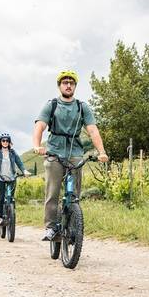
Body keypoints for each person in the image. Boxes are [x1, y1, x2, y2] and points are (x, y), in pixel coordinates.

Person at [32, 69, 109, 241]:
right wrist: (37, 146)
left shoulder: (82, 107)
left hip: (75, 153)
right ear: (60, 86)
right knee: (53, 193)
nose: (68, 85)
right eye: (65, 82)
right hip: (54, 152)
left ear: (75, 86)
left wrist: (101, 152)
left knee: (74, 195)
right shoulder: (51, 105)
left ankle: (73, 223)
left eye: (71, 83)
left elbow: (92, 130)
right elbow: (40, 126)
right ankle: (51, 227)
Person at [0, 133, 32, 226]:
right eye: (3, 140)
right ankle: (0, 218)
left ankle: (12, 215)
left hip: (11, 177)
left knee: (11, 198)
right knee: (1, 198)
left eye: (7, 140)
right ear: (0, 142)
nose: (5, 142)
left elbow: (19, 163)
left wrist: (24, 171)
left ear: (9, 142)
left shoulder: (12, 152)